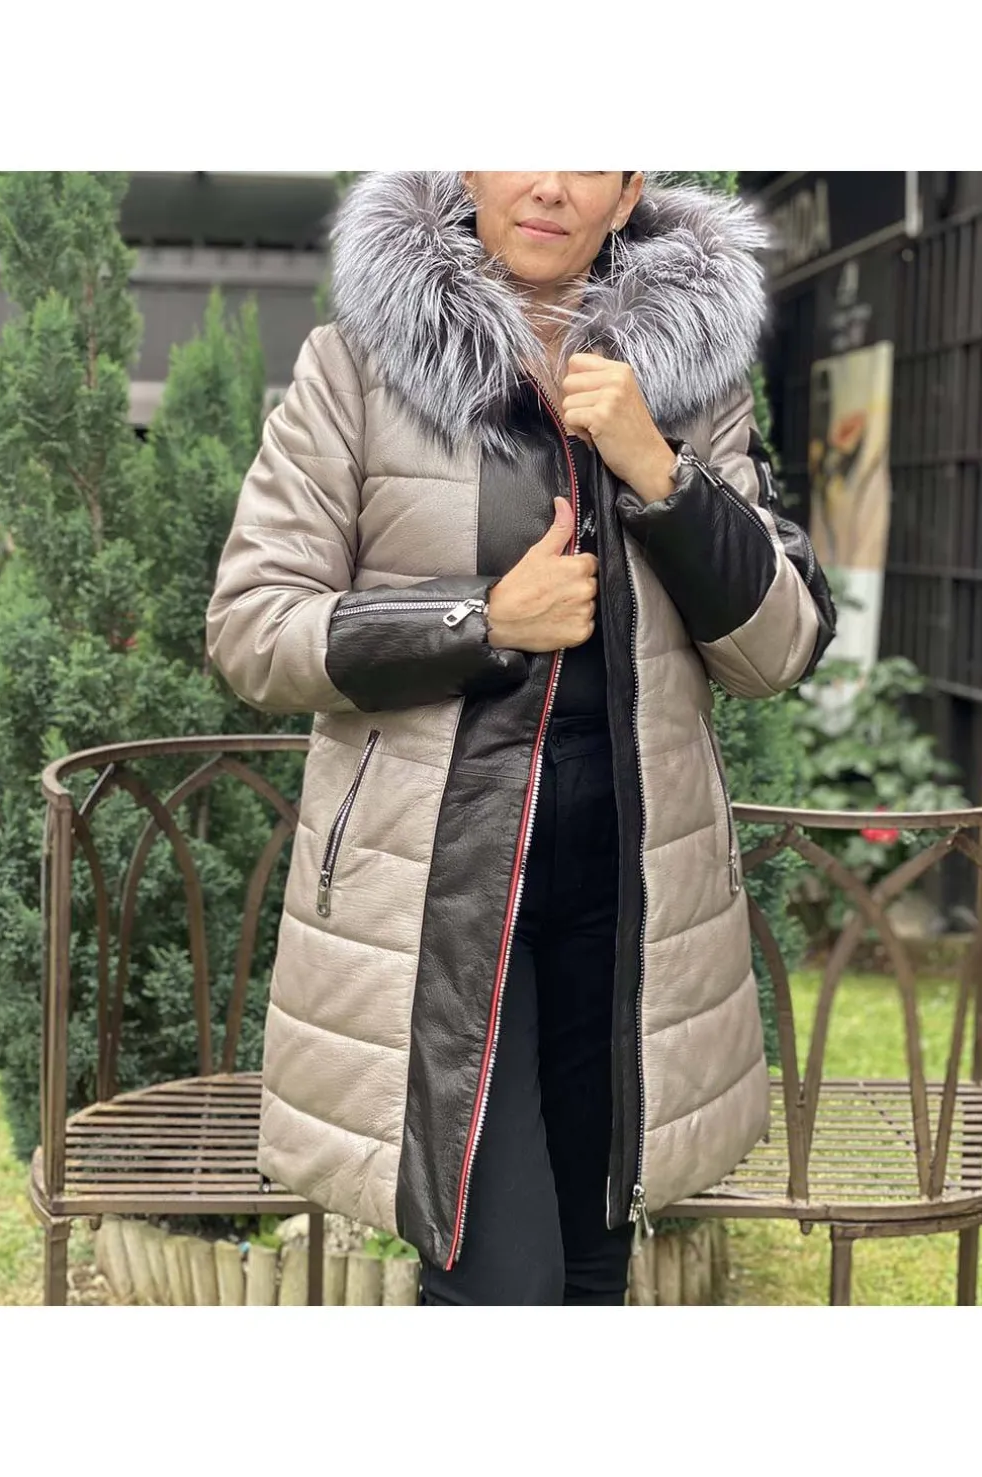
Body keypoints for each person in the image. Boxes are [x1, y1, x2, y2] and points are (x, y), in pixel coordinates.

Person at [206, 171, 836, 1306]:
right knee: (501, 1277)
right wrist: (481, 620)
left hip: (632, 889)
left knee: (592, 1267)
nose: (548, 181)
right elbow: (254, 628)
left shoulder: (692, 382)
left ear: (629, 188)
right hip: (437, 892)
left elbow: (776, 649)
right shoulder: (357, 367)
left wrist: (661, 471)